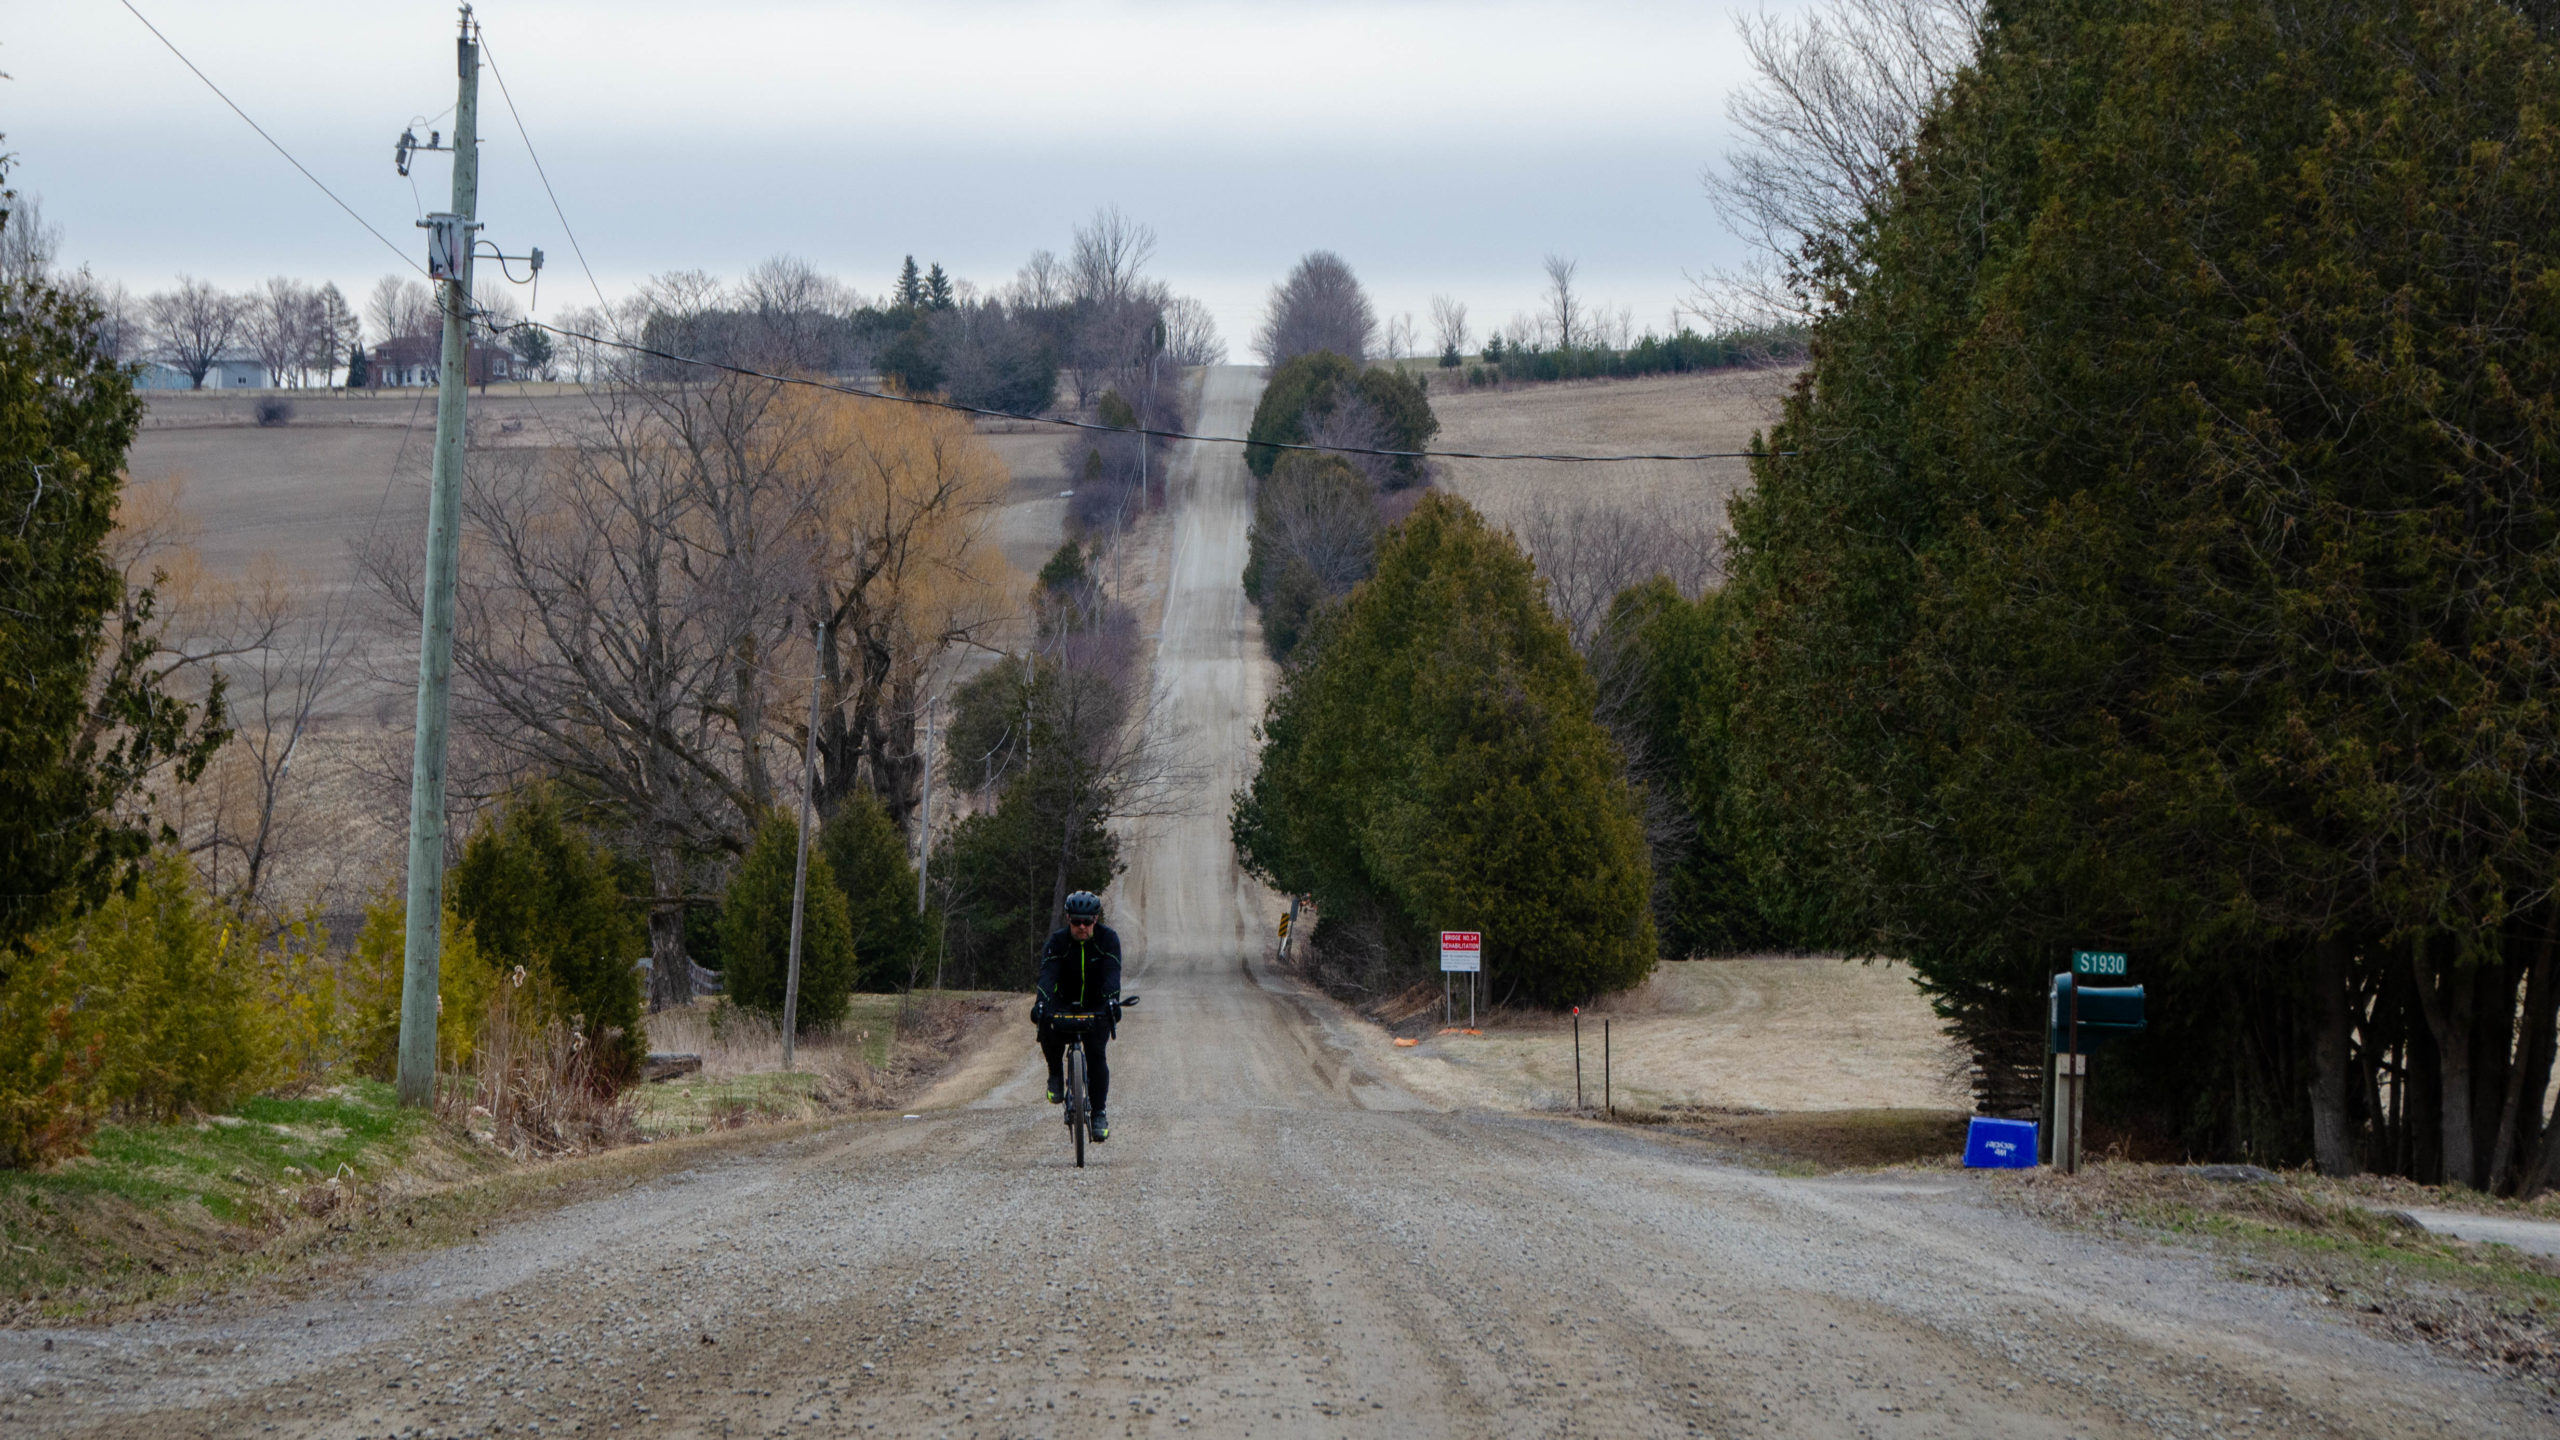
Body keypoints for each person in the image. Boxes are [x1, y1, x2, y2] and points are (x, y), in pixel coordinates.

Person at [1032, 890, 1123, 1140]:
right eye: (1076, 922)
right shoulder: (1057, 942)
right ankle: (1055, 1073)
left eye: (1087, 922)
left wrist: (1112, 1001)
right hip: (1064, 1003)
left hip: (1095, 1003)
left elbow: (1112, 974)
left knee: (1096, 1056)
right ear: (1068, 919)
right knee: (1048, 1028)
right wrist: (1041, 1003)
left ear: (1096, 920)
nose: (1081, 927)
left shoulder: (1108, 940)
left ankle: (1099, 1113)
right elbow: (1047, 976)